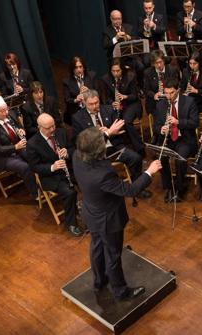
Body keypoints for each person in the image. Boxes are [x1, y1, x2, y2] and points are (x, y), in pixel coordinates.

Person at [73, 127, 162, 300]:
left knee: (96, 247)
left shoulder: (77, 155)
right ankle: (121, 291)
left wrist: (108, 133)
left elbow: (88, 145)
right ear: (99, 150)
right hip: (108, 219)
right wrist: (149, 172)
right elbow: (130, 190)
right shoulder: (103, 175)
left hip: (91, 213)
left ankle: (99, 281)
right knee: (113, 255)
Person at [71, 90, 148, 197]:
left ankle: (137, 187)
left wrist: (110, 131)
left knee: (135, 158)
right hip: (95, 154)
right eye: (91, 104)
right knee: (106, 171)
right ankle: (110, 190)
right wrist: (102, 133)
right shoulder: (78, 118)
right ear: (84, 103)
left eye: (96, 103)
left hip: (113, 147)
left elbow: (121, 130)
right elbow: (79, 141)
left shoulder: (108, 109)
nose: (94, 106)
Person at [25, 113, 82, 236]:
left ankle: (86, 210)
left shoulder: (60, 132)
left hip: (67, 169)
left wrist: (67, 153)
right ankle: (71, 223)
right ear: (39, 127)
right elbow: (34, 167)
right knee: (70, 192)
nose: (52, 130)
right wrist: (52, 167)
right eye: (48, 128)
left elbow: (73, 148)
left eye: (53, 126)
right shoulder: (32, 144)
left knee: (86, 180)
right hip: (50, 176)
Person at [153, 78, 199, 202]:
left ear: (178, 90)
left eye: (171, 93)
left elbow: (195, 123)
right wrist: (161, 130)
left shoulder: (189, 102)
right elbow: (156, 126)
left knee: (180, 157)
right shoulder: (161, 104)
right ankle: (169, 187)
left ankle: (179, 188)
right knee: (161, 157)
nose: (168, 96)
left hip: (185, 139)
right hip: (168, 139)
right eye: (166, 93)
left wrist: (178, 122)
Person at [0, 96, 37, 197]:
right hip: (1, 157)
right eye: (2, 111)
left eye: (6, 109)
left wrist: (21, 130)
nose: (6, 113)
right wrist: (15, 147)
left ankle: (43, 183)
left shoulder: (10, 114)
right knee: (25, 167)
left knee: (34, 156)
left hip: (16, 148)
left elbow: (18, 126)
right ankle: (35, 193)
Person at [98, 58, 143, 126]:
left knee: (125, 121)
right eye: (113, 71)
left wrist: (125, 96)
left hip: (130, 104)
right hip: (115, 106)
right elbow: (106, 97)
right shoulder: (105, 79)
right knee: (113, 122)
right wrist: (113, 103)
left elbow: (135, 96)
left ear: (122, 69)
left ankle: (134, 137)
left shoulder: (130, 76)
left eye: (118, 71)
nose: (115, 73)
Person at [143, 50, 179, 118]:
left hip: (170, 99)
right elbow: (146, 90)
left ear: (164, 61)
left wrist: (168, 91)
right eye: (156, 63)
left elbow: (176, 85)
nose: (159, 65)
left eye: (160, 62)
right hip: (155, 101)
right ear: (153, 63)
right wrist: (154, 95)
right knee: (159, 113)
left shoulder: (172, 70)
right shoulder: (148, 72)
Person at [62, 56, 97, 124]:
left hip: (92, 107)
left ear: (83, 67)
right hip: (78, 110)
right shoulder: (66, 82)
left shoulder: (92, 76)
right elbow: (67, 100)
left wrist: (90, 91)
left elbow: (99, 92)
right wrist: (76, 100)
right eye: (76, 67)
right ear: (72, 69)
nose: (79, 70)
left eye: (80, 67)